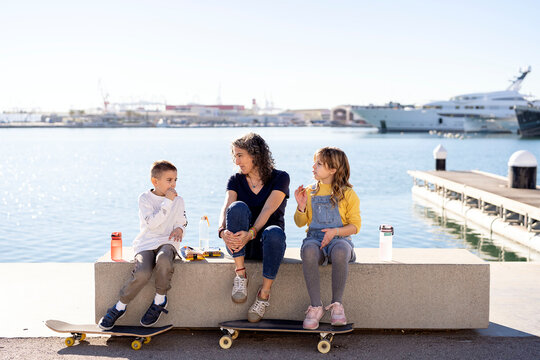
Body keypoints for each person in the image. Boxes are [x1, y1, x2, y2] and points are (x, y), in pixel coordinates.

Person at [98, 160, 187, 329]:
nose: (174, 184)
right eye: (169, 180)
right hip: (146, 243)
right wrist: (167, 202)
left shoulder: (178, 200)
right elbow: (153, 224)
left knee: (163, 259)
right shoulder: (144, 199)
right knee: (142, 272)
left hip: (167, 242)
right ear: (155, 181)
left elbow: (181, 220)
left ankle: (160, 300)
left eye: (175, 179)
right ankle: (120, 306)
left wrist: (180, 229)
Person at [218, 133, 289, 322]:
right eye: (235, 155)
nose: (236, 161)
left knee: (274, 231)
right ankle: (240, 275)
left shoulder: (280, 178)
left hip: (268, 246)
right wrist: (221, 231)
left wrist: (251, 233)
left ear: (255, 155)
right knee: (237, 207)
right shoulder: (235, 179)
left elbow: (267, 210)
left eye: (239, 155)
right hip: (238, 245)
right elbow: (226, 207)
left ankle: (263, 295)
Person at [294, 147, 361, 329]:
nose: (313, 166)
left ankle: (337, 305)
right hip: (315, 239)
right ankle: (316, 307)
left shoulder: (348, 194)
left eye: (319, 164)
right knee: (308, 250)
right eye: (315, 162)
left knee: (340, 251)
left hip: (340, 239)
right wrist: (300, 207)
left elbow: (355, 226)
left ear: (333, 169)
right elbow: (300, 223)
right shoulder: (309, 192)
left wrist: (334, 232)